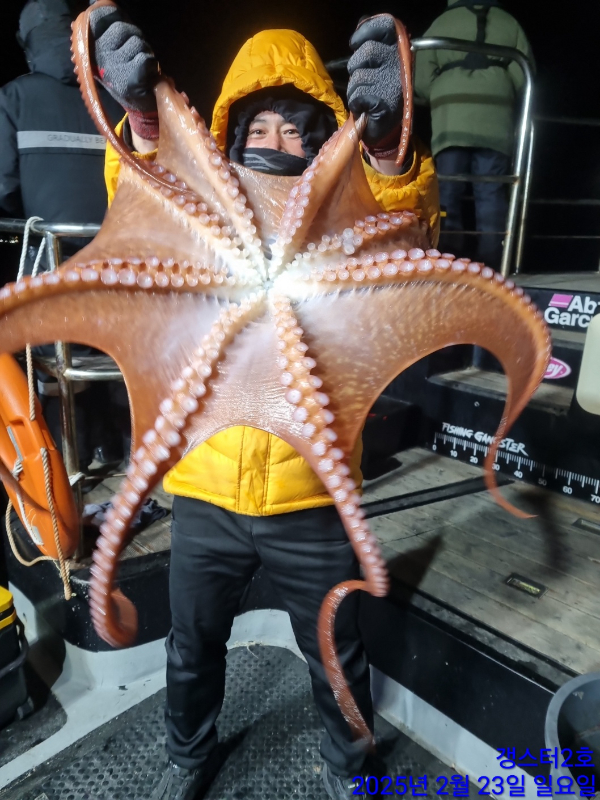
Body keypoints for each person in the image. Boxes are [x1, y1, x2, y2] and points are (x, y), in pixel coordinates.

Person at [92, 8, 439, 799]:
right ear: (228, 136)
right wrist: (142, 121)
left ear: (322, 143)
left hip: (312, 496)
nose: (275, 142)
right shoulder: (200, 223)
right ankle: (187, 759)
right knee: (191, 648)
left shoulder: (345, 231)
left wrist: (389, 151)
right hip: (204, 496)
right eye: (257, 126)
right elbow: (142, 199)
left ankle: (351, 770)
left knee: (335, 653)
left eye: (295, 129)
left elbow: (405, 243)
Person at [0, 0, 127, 470]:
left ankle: (67, 477)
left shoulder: (13, 97)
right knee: (113, 365)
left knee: (55, 373)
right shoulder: (110, 98)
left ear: (28, 41)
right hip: (117, 266)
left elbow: (5, 188)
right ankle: (121, 458)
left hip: (51, 263)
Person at [415, 0, 533, 268]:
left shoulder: (442, 22)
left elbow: (421, 77)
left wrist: (441, 89)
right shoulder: (508, 21)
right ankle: (493, 265)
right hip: (496, 118)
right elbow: (523, 75)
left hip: (450, 117)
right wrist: (498, 86)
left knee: (447, 192)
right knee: (491, 193)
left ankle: (449, 260)